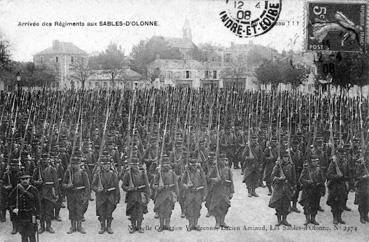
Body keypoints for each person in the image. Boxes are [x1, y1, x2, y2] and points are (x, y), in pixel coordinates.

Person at [91, 154, 120, 234]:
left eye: (107, 164)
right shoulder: (98, 174)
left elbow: (117, 187)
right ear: (101, 165)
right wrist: (97, 189)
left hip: (110, 195)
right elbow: (92, 185)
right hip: (101, 196)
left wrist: (117, 197)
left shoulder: (113, 174)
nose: (105, 166)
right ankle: (102, 226)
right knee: (101, 212)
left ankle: (109, 226)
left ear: (110, 164)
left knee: (109, 212)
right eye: (104, 164)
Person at [8, 171, 40, 242]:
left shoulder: (33, 189)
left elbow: (38, 203)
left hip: (31, 215)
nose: (25, 180)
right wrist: (13, 208)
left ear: (29, 179)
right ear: (20, 180)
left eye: (26, 178)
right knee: (23, 235)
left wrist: (38, 214)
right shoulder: (17, 189)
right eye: (23, 179)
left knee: (32, 235)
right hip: (21, 215)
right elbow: (10, 200)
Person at [121, 157, 150, 233]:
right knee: (133, 213)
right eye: (133, 165)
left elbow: (147, 185)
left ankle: (139, 227)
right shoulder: (128, 174)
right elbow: (123, 186)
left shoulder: (142, 173)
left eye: (136, 165)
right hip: (132, 195)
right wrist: (128, 189)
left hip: (140, 194)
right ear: (131, 165)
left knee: (140, 212)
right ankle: (133, 227)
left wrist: (147, 196)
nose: (135, 167)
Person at [62, 154, 90, 234]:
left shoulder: (83, 172)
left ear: (79, 164)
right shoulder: (68, 172)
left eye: (77, 164)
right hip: (71, 194)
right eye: (73, 164)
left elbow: (87, 187)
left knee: (80, 210)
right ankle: (73, 226)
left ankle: (80, 226)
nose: (75, 165)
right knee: (71, 209)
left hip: (80, 194)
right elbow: (63, 184)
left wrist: (85, 197)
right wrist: (67, 186)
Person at [32, 154, 59, 234]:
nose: (44, 161)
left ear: (49, 160)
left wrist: (56, 193)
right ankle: (42, 226)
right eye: (43, 159)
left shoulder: (52, 169)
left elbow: (56, 183)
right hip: (40, 193)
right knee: (41, 211)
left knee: (49, 211)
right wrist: (37, 182)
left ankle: (49, 226)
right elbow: (32, 181)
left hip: (49, 193)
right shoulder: (37, 169)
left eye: (46, 159)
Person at [269, 150, 296, 227]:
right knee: (278, 205)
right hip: (279, 188)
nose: (286, 158)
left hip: (287, 188)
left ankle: (284, 219)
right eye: (284, 157)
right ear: (281, 158)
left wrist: (294, 187)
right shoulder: (278, 166)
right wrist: (278, 178)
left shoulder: (291, 166)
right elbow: (272, 176)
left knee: (286, 205)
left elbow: (294, 178)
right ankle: (279, 220)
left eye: (287, 157)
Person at [180, 155, 207, 231]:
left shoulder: (200, 172)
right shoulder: (186, 172)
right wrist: (187, 186)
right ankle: (190, 224)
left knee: (197, 209)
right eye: (192, 165)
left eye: (195, 165)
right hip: (189, 193)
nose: (193, 166)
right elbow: (182, 183)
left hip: (198, 193)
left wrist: (204, 194)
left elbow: (204, 183)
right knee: (189, 209)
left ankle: (196, 224)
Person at [207, 154, 234, 229]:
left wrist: (232, 192)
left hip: (226, 191)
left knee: (225, 206)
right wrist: (214, 179)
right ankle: (217, 222)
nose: (222, 161)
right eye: (220, 160)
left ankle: (223, 221)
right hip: (217, 191)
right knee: (217, 207)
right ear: (218, 160)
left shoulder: (228, 169)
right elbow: (208, 178)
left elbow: (231, 181)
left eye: (223, 159)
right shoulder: (214, 169)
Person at [152, 156, 179, 232]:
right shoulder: (159, 173)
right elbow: (153, 185)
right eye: (164, 163)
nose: (166, 165)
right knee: (161, 211)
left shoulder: (172, 173)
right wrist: (159, 187)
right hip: (161, 195)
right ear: (162, 164)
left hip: (169, 194)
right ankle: (161, 225)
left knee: (168, 211)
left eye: (167, 163)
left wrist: (177, 194)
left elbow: (176, 184)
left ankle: (167, 225)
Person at [298, 155, 325, 225]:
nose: (315, 163)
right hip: (307, 190)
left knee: (315, 205)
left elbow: (323, 179)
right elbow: (301, 179)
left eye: (316, 161)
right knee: (307, 205)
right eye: (313, 161)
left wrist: (320, 183)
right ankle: (307, 219)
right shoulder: (306, 169)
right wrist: (308, 182)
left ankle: (313, 219)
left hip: (316, 190)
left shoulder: (319, 169)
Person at [326, 153, 349, 225]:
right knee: (334, 202)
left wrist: (346, 179)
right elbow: (329, 175)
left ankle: (339, 217)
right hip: (334, 185)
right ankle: (335, 218)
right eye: (341, 155)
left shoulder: (345, 162)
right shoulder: (333, 163)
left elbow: (348, 173)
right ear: (338, 155)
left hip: (342, 185)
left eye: (344, 155)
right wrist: (337, 176)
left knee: (342, 201)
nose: (342, 156)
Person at [354, 154, 369, 224]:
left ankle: (366, 215)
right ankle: (362, 217)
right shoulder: (359, 167)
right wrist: (364, 177)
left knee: (367, 203)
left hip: (367, 187)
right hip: (361, 187)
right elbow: (356, 177)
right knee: (362, 202)